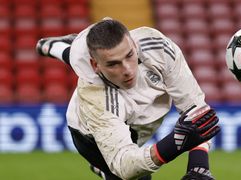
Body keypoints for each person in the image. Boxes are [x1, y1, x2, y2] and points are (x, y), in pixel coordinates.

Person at [36, 17, 220, 180]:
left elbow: (195, 109)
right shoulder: (94, 95)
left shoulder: (158, 47)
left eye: (129, 56)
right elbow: (125, 165)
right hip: (89, 136)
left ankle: (55, 47)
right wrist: (175, 142)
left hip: (136, 121)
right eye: (113, 64)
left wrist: (199, 166)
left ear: (134, 44)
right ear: (95, 65)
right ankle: (103, 168)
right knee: (133, 175)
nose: (127, 70)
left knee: (81, 58)